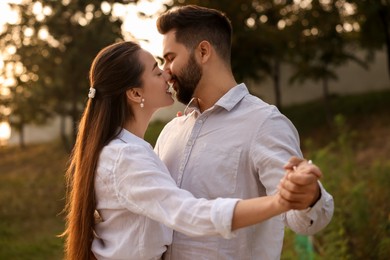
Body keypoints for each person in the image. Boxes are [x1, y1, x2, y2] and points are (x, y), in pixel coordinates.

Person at [61, 41, 320, 260]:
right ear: (135, 92)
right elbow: (187, 213)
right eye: (155, 70)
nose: (166, 73)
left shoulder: (135, 147)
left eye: (167, 62)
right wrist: (279, 202)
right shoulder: (125, 156)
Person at [155, 5, 334, 259]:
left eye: (170, 57)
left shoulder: (263, 123)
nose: (165, 70)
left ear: (203, 51)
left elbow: (302, 221)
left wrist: (309, 196)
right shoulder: (170, 132)